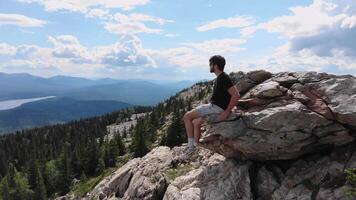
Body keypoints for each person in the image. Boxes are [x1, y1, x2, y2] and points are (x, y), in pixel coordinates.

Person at [183, 55, 240, 153]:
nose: (209, 66)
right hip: (216, 106)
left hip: (216, 108)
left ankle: (190, 146)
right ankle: (196, 146)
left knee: (187, 116)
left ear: (215, 65)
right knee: (196, 123)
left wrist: (227, 111)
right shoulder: (220, 78)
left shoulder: (223, 78)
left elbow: (236, 95)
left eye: (210, 64)